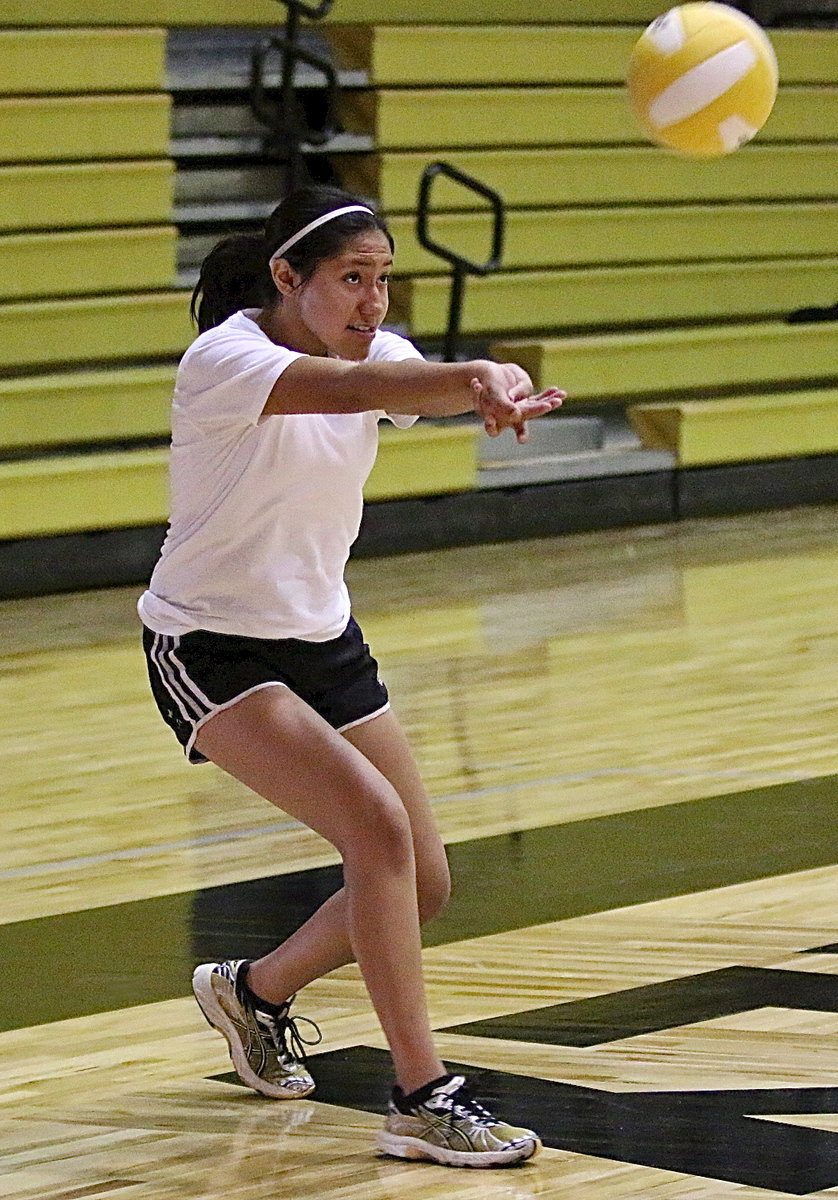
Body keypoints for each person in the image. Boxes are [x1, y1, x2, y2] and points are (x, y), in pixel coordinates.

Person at [139, 184, 564, 1168]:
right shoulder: (228, 359)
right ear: (287, 277)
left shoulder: (378, 352)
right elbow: (346, 391)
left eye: (383, 280)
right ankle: (420, 1098)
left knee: (421, 879)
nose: (372, 303)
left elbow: (408, 380)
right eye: (350, 280)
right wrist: (471, 373)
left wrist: (486, 382)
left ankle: (252, 993)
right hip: (209, 644)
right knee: (374, 832)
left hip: (322, 638)